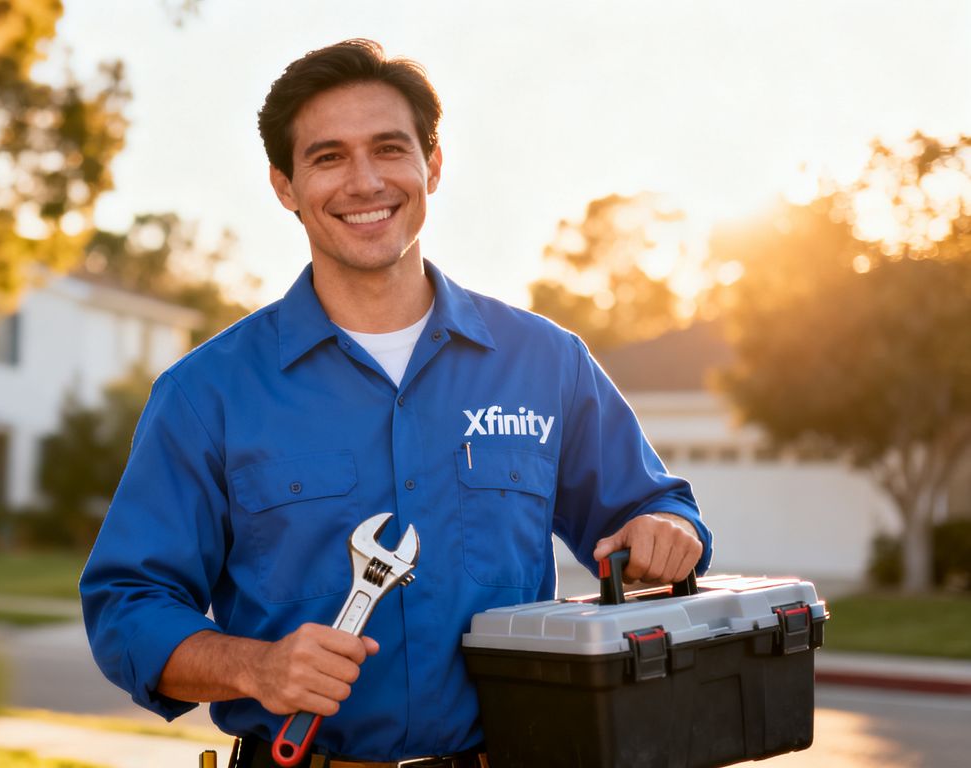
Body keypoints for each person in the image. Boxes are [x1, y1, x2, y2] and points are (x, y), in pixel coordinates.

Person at [80, 39, 710, 766]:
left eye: (388, 148)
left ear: (431, 166)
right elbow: (128, 605)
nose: (364, 181)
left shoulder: (547, 363)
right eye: (327, 157)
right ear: (285, 186)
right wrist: (256, 667)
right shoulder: (205, 393)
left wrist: (665, 528)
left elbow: (656, 511)